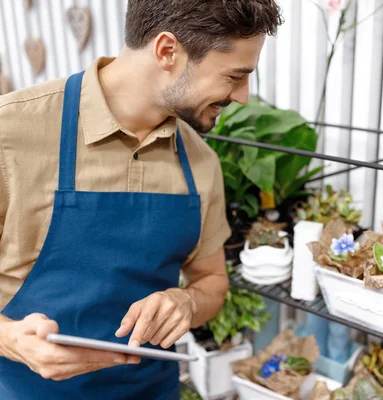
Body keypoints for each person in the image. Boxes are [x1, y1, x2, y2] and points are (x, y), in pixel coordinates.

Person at [0, 0, 282, 398]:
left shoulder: (200, 162)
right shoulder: (10, 133)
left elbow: (212, 283)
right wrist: (11, 338)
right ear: (168, 51)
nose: (243, 97)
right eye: (235, 76)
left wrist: (186, 300)